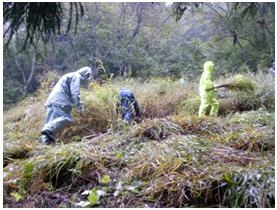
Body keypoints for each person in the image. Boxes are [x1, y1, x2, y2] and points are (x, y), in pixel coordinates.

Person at [41, 66, 93, 145]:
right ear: (84, 73)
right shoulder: (76, 76)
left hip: (53, 100)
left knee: (52, 121)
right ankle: (48, 129)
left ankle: (45, 143)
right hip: (61, 100)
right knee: (67, 118)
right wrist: (80, 106)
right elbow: (75, 92)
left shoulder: (69, 75)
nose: (87, 78)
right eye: (87, 75)